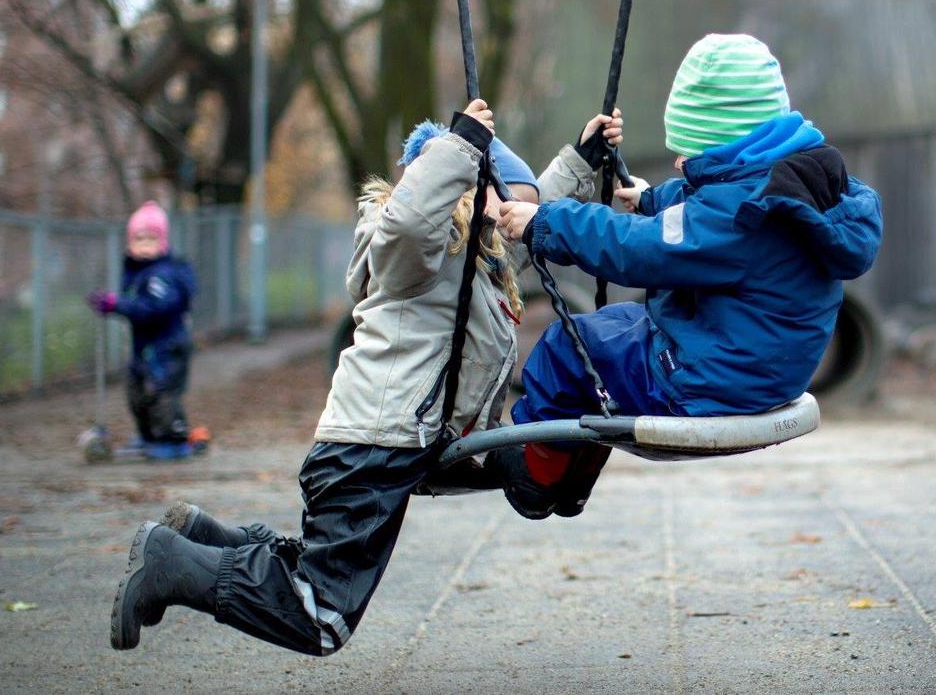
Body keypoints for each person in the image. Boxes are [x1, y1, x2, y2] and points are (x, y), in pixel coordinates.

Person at [109, 99, 624, 654]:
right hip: (373, 449)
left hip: (410, 443)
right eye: (505, 203)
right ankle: (172, 564)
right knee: (321, 614)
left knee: (517, 463)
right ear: (465, 193)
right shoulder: (418, 255)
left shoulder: (477, 256)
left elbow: (529, 208)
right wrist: (456, 149)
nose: (513, 219)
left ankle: (206, 540)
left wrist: (580, 160)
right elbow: (407, 224)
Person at [493, 33, 883, 520]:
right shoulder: (804, 180)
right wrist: (653, 199)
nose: (681, 162)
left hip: (705, 380)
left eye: (691, 153)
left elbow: (642, 248)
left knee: (567, 346)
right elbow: (711, 213)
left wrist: (547, 221)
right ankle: (570, 479)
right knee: (612, 328)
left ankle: (535, 474)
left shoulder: (739, 213)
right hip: (762, 368)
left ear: (725, 138)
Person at [88, 201, 198, 460]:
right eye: (139, 239)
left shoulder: (161, 274)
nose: (145, 245)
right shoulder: (138, 272)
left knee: (162, 393)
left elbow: (156, 308)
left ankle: (172, 438)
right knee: (137, 393)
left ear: (161, 242)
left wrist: (119, 304)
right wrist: (114, 304)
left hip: (167, 347)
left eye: (151, 239)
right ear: (130, 242)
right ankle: (149, 435)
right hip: (146, 348)